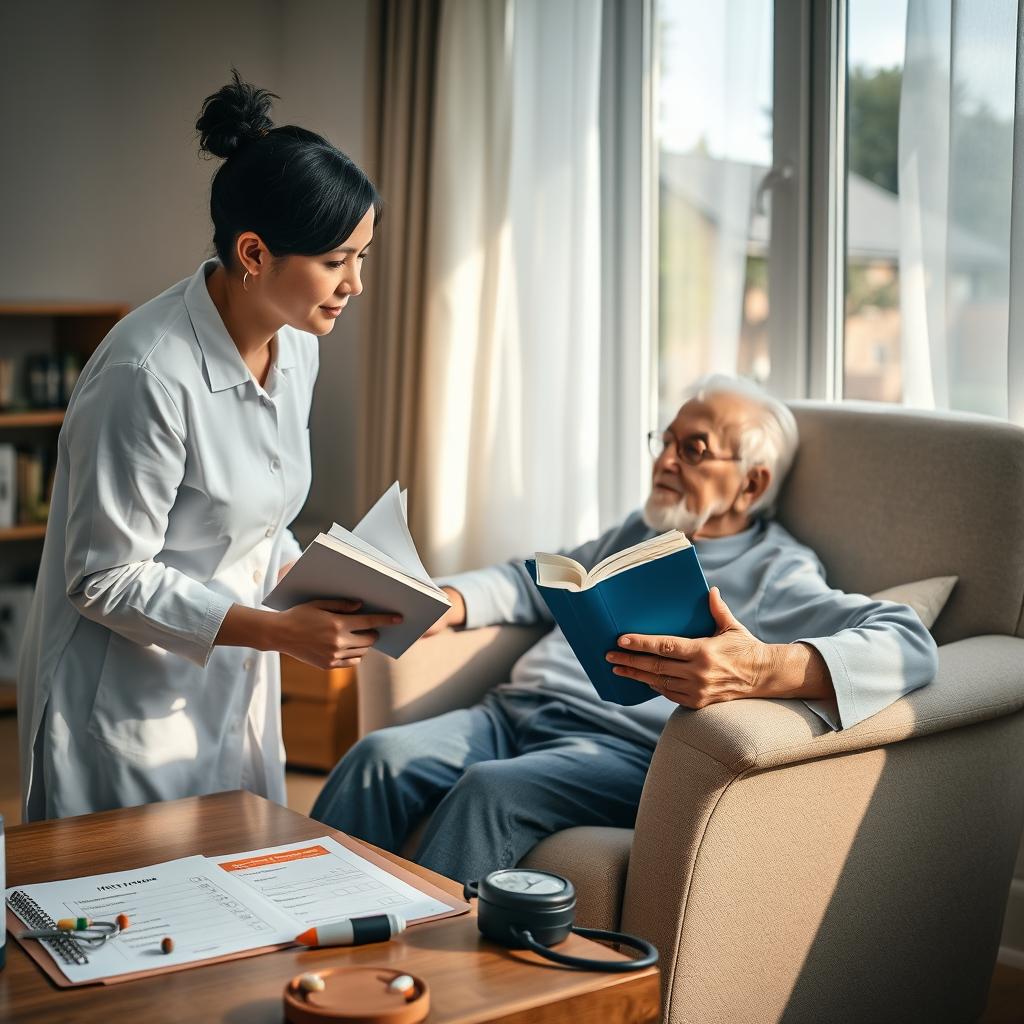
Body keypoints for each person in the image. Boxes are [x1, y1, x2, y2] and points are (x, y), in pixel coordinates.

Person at [311, 375, 939, 882]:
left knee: (488, 792)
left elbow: (909, 642)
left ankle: (419, 987)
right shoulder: (640, 535)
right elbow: (532, 579)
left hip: (614, 751)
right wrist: (452, 600)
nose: (665, 460)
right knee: (378, 756)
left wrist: (758, 667)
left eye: (693, 449)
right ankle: (293, 936)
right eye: (664, 441)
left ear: (752, 483)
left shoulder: (779, 570)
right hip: (511, 714)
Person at [17, 71, 399, 821]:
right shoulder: (146, 372)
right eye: (335, 260)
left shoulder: (297, 347)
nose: (355, 284)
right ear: (254, 253)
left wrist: (323, 579)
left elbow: (254, 519)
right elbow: (102, 578)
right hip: (124, 702)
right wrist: (280, 631)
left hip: (233, 686)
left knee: (241, 900)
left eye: (363, 256)